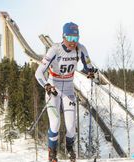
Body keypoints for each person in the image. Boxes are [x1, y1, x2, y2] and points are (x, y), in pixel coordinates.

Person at [35, 22, 96, 162]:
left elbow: (88, 65)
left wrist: (91, 71)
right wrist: (47, 86)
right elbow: (38, 73)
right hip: (54, 90)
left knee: (70, 127)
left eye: (76, 38)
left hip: (68, 90)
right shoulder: (54, 50)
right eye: (70, 38)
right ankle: (52, 153)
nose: (73, 42)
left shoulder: (81, 49)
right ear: (63, 36)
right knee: (55, 123)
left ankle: (70, 150)